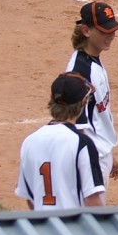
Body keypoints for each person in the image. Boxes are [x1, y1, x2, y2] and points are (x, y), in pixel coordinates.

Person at [16, 72, 106, 210]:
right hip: (73, 223)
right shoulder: (82, 143)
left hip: (43, 222)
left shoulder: (29, 141)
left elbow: (30, 198)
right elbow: (93, 202)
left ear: (51, 98)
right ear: (83, 102)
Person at [66, 1, 118, 197]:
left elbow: (97, 117)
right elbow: (77, 126)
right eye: (104, 31)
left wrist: (108, 153)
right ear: (86, 31)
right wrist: (90, 162)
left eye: (113, 30)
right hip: (91, 159)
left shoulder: (92, 60)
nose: (111, 35)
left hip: (99, 153)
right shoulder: (80, 72)